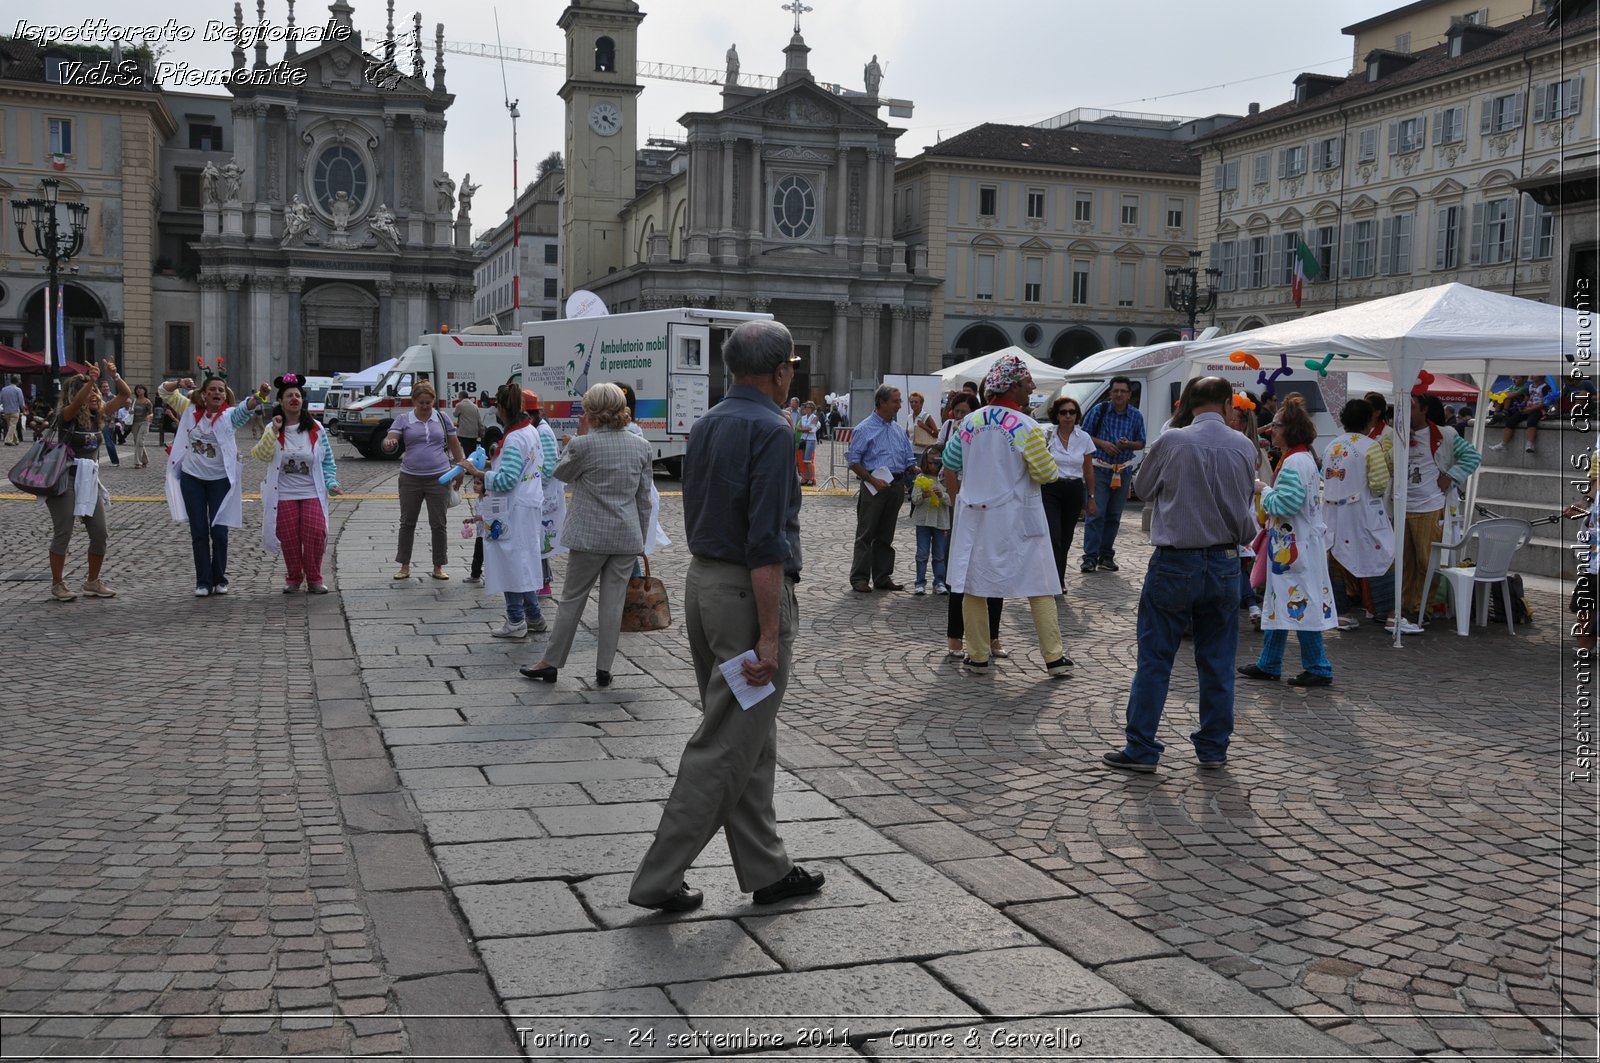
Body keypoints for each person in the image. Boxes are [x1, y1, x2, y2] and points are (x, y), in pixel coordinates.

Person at [628, 319, 822, 913]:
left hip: (703, 586)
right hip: (746, 593)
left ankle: (766, 867)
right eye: (792, 364)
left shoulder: (709, 420)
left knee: (748, 736)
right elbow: (765, 541)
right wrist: (768, 636)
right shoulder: (772, 428)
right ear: (781, 370)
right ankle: (658, 877)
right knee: (725, 743)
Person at [1102, 376, 1257, 773]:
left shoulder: (1172, 441)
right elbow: (1246, 509)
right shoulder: (1244, 446)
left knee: (1156, 658)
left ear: (1188, 404)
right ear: (1226, 405)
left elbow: (1142, 487)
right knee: (1218, 661)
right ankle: (1213, 747)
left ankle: (1141, 747)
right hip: (1224, 562)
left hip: (1175, 561)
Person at [941, 354, 1071, 677]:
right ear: (1012, 387)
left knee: (973, 585)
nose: (1031, 389)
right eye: (1027, 384)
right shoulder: (1028, 426)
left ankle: (978, 655)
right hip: (1018, 517)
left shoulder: (968, 422)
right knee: (1039, 584)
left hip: (976, 518)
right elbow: (1046, 473)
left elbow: (951, 460)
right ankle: (1054, 657)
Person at [519, 382, 653, 686]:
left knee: (572, 599)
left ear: (590, 411)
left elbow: (560, 473)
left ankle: (551, 662)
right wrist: (641, 540)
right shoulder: (641, 446)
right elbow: (644, 499)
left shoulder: (584, 445)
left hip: (589, 536)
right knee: (613, 603)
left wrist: (577, 438)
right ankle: (604, 667)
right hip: (626, 536)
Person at [1237, 395, 1338, 687]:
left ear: (1289, 429)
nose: (1272, 429)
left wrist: (1264, 491)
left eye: (1277, 424)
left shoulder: (1294, 462)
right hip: (1293, 546)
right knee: (1283, 601)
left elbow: (1285, 505)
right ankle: (1270, 661)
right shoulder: (1302, 457)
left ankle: (1318, 666)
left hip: (1294, 548)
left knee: (1299, 603)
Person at [161, 368, 266, 597]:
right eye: (212, 390)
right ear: (204, 395)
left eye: (221, 390)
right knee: (198, 531)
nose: (217, 393)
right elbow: (164, 393)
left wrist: (260, 396)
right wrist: (178, 381)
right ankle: (203, 581)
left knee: (219, 532)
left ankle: (220, 578)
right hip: (192, 479)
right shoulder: (189, 410)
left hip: (220, 481)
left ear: (224, 395)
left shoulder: (229, 416)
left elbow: (246, 409)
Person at [458, 385, 547, 638]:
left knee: (511, 565)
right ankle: (534, 616)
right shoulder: (529, 431)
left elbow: (507, 480)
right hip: (527, 505)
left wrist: (479, 474)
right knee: (524, 564)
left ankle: (517, 620)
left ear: (502, 408)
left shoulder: (515, 438)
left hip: (512, 509)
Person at [251, 373, 342, 594]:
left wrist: (331, 483)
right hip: (283, 493)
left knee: (315, 532)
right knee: (289, 536)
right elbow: (260, 455)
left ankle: (314, 578)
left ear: (303, 401)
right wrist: (273, 430)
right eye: (289, 396)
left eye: (298, 395)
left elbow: (327, 461)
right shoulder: (272, 429)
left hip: (311, 491)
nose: (294, 399)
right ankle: (293, 577)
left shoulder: (317, 429)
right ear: (280, 402)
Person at [46, 361, 129, 602]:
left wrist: (115, 375)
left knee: (100, 533)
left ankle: (92, 581)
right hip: (64, 480)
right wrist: (91, 380)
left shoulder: (98, 416)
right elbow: (74, 405)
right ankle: (58, 583)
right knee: (64, 532)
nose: (94, 395)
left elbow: (124, 395)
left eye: (95, 392)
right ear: (76, 395)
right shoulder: (66, 417)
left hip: (89, 481)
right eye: (89, 392)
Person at [1400, 390, 1481, 631]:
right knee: (1403, 562)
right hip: (1401, 507)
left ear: (1424, 409)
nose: (1407, 412)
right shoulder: (1397, 433)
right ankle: (1402, 607)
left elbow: (1472, 457)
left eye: (1412, 407)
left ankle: (1422, 607)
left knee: (1427, 561)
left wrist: (1450, 476)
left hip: (1430, 506)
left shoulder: (1445, 434)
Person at [939, 392, 1005, 658]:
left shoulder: (990, 432)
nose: (961, 416)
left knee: (995, 572)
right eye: (957, 411)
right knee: (961, 573)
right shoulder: (959, 435)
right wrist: (957, 502)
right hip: (968, 508)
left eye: (966, 411)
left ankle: (993, 637)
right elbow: (949, 467)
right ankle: (955, 636)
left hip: (994, 509)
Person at [1319, 399, 1394, 631]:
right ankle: (1390, 612)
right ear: (1370, 420)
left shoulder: (1331, 446)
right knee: (1382, 555)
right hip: (1363, 512)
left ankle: (1341, 611)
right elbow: (1379, 483)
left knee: (1336, 558)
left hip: (1332, 512)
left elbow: (1324, 476)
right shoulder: (1371, 446)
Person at [382, 379, 465, 581]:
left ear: (434, 401)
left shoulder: (443, 418)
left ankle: (438, 566)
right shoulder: (403, 419)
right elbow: (388, 440)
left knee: (438, 523)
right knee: (407, 522)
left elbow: (455, 445)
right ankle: (404, 566)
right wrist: (389, 442)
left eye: (429, 402)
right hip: (410, 477)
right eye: (421, 403)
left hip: (440, 477)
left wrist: (461, 466)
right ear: (414, 401)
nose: (426, 407)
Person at [845, 384, 917, 592]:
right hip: (873, 486)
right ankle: (859, 577)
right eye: (895, 401)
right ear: (882, 402)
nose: (899, 405)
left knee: (886, 534)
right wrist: (872, 480)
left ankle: (882, 576)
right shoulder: (864, 428)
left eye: (899, 401)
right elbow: (854, 461)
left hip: (895, 486)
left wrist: (915, 468)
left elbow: (907, 457)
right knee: (866, 533)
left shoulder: (897, 429)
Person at [1079, 375, 1145, 573]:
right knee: (1096, 514)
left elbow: (1141, 442)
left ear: (1129, 395)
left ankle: (1106, 556)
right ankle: (1090, 557)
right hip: (1100, 468)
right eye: (1115, 391)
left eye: (1123, 391)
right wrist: (1102, 444)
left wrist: (1127, 444)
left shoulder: (1135, 415)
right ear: (1110, 393)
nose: (1119, 394)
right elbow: (1084, 434)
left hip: (1122, 471)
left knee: (1114, 516)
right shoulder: (1099, 411)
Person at [1041, 396, 1097, 593]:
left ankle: (1059, 579)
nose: (1068, 416)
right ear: (1056, 415)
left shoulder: (1084, 438)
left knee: (1066, 537)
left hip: (1073, 489)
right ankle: (1051, 581)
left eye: (1071, 412)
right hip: (1050, 489)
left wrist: (1091, 497)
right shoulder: (1046, 435)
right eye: (1063, 412)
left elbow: (1088, 470)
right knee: (1053, 535)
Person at [464, 424, 504, 587]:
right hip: (481, 533)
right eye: (474, 483)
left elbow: (491, 515)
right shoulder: (478, 499)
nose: (475, 486)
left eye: (478, 483)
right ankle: (475, 574)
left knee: (488, 555)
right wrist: (471, 520)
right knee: (477, 555)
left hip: (489, 533)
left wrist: (478, 518)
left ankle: (491, 576)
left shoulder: (488, 499)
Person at [909, 448, 951, 595]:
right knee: (922, 553)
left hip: (940, 522)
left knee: (939, 554)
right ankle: (919, 582)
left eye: (936, 463)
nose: (933, 466)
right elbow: (914, 499)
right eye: (930, 462)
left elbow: (952, 500)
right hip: (923, 522)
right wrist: (923, 496)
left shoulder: (945, 478)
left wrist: (943, 495)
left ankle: (939, 581)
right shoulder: (920, 477)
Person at [1493, 374, 1549, 453]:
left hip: (1538, 409)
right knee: (1510, 422)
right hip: (1527, 407)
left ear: (1541, 376)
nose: (1531, 376)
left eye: (1534, 374)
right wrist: (1522, 405)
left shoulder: (1545, 387)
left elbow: (1545, 402)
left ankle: (1530, 444)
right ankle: (1503, 444)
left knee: (1531, 422)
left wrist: (1531, 409)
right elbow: (1527, 398)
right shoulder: (1530, 386)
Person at [127, 385, 154, 468]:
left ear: (144, 391)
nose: (139, 390)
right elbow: (130, 411)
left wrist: (149, 416)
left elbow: (151, 413)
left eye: (141, 389)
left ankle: (138, 462)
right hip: (135, 423)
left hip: (144, 423)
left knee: (139, 441)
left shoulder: (147, 402)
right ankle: (145, 460)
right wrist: (130, 411)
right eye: (137, 389)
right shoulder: (134, 400)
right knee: (137, 442)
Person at [795, 401, 821, 486]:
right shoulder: (803, 417)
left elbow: (811, 428)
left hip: (811, 440)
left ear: (812, 408)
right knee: (803, 460)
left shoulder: (815, 418)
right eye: (806, 407)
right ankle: (805, 478)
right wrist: (805, 429)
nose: (807, 408)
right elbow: (802, 428)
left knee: (808, 460)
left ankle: (812, 478)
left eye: (809, 407)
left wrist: (802, 429)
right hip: (803, 439)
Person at [99, 382, 122, 467]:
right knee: (95, 441)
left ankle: (115, 461)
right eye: (103, 387)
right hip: (98, 421)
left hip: (108, 422)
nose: (105, 388)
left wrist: (112, 421)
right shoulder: (99, 397)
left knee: (109, 442)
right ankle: (95, 460)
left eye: (107, 386)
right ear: (101, 388)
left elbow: (115, 410)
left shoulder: (113, 397)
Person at [0, 375, 25, 445]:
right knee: (12, 425)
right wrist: (23, 408)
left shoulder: (4, 389)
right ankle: (8, 440)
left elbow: (0, 400)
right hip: (14, 410)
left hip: (6, 411)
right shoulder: (18, 390)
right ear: (17, 382)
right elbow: (21, 401)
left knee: (10, 426)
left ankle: (15, 440)